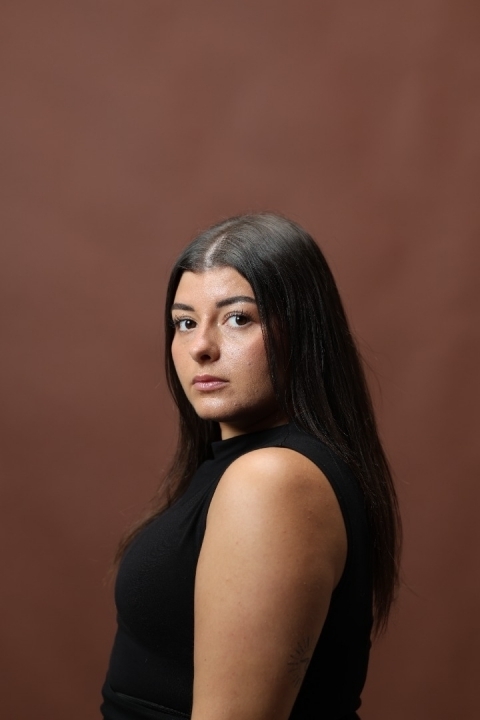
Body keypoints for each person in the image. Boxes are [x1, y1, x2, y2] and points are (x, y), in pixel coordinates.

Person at [101, 213, 401, 720]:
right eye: (185, 322)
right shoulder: (239, 468)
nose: (201, 347)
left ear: (302, 330)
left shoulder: (270, 482)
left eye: (238, 318)